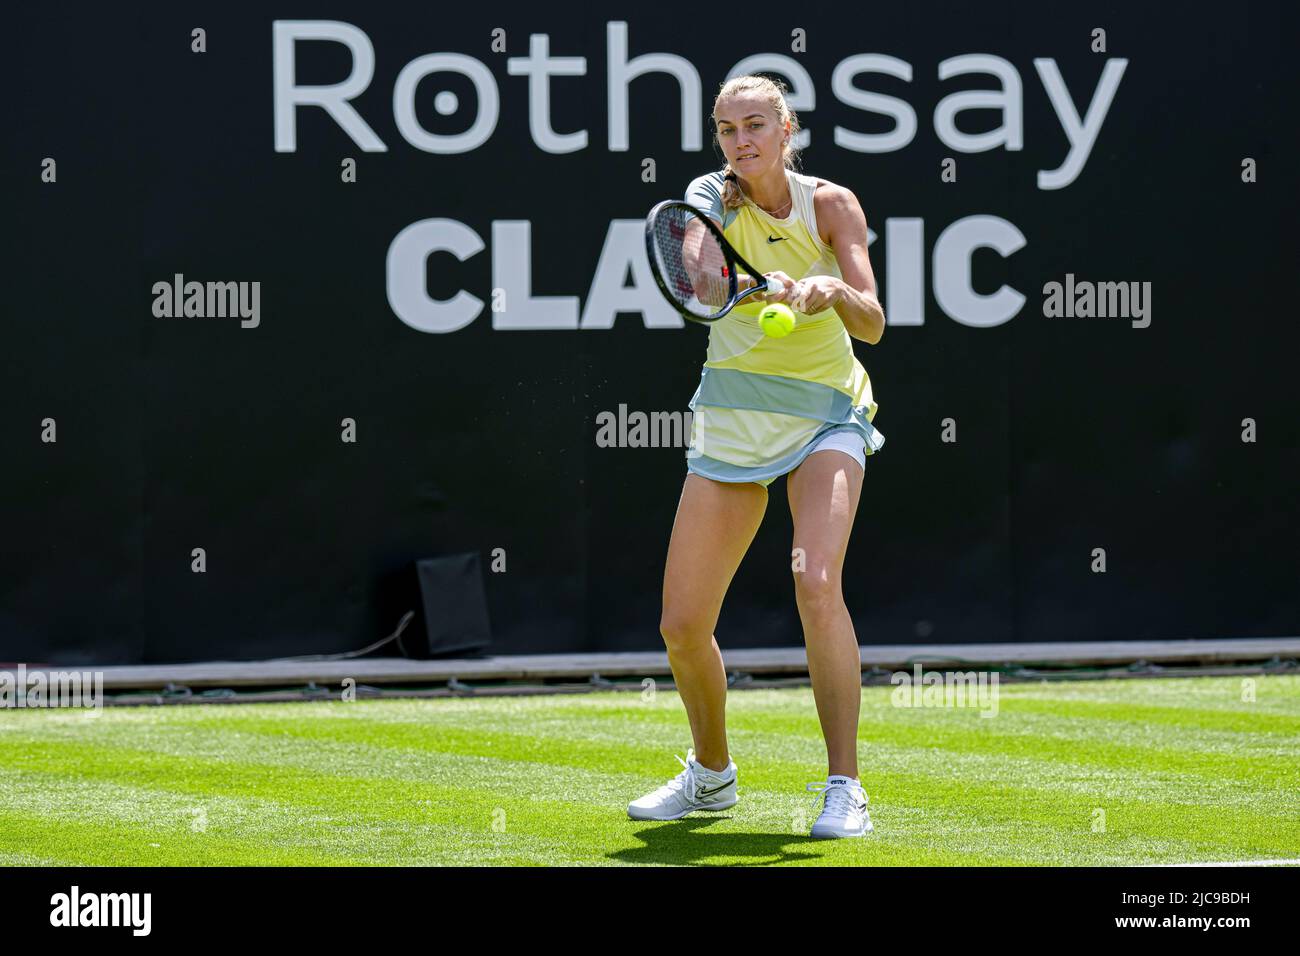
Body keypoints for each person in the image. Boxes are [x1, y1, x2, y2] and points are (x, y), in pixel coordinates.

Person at [627, 74, 886, 838]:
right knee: (681, 625)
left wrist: (827, 291)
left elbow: (873, 322)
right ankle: (711, 774)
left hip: (825, 417)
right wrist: (753, 289)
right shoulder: (709, 193)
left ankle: (845, 786)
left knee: (815, 579)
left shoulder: (832, 205)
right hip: (734, 420)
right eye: (726, 129)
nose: (741, 142)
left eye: (754, 127)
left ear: (785, 130)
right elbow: (704, 278)